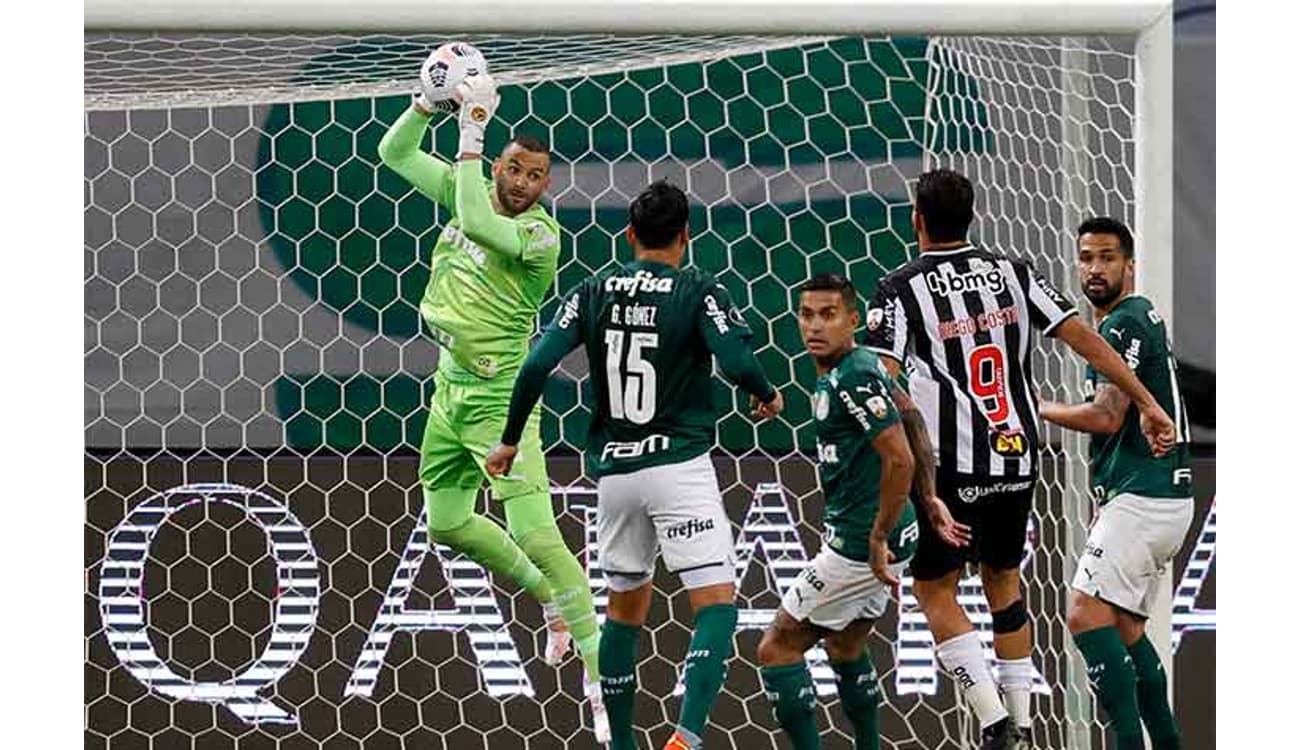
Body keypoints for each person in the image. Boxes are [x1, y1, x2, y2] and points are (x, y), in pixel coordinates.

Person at [861, 168, 1177, 749]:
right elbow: (1084, 337)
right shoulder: (1014, 273)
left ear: (917, 220)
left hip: (951, 465)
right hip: (1016, 459)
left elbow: (882, 378)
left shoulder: (900, 288)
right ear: (973, 216)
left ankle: (993, 723)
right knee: (1003, 583)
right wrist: (1148, 401)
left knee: (935, 591)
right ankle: (1026, 726)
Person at [485, 180, 783, 750]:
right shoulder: (696, 289)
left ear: (628, 235)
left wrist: (508, 440)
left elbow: (534, 367)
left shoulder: (592, 290)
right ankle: (686, 735)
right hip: (679, 465)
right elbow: (737, 359)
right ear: (686, 237)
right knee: (716, 603)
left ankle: (621, 743)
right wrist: (765, 393)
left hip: (616, 475)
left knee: (623, 612)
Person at [377, 71, 605, 737]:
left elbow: (475, 216)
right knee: (446, 523)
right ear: (500, 164)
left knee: (538, 534)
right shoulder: (465, 185)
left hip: (500, 403)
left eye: (536, 176)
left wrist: (471, 129)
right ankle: (552, 602)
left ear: (544, 186)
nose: (522, 183)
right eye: (514, 168)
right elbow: (394, 154)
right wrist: (428, 102)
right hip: (448, 393)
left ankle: (602, 676)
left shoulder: (540, 238)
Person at [1039, 217, 1191, 750]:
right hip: (1161, 496)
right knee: (1125, 630)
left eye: (1107, 257)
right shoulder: (1134, 318)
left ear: (1130, 264)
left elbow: (1106, 416)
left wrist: (1035, 407)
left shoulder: (1123, 323)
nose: (1095, 268)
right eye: (1086, 257)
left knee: (1082, 613)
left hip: (1145, 495)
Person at [755, 273, 925, 750]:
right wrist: (927, 500)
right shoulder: (866, 365)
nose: (815, 326)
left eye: (828, 315)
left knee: (777, 649)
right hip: (890, 534)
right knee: (846, 645)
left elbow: (900, 457)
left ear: (853, 320)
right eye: (807, 315)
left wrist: (876, 537)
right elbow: (911, 416)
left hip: (860, 545)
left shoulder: (851, 376)